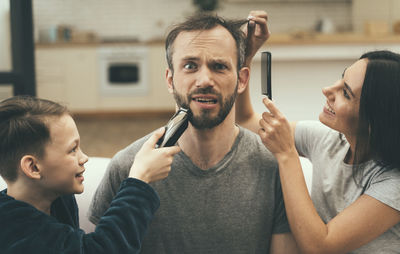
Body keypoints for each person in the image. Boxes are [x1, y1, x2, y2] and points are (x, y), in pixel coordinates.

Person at [88, 11, 299, 254]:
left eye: (219, 66)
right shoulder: (128, 168)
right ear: (170, 80)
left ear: (242, 80)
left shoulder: (272, 167)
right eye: (190, 66)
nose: (205, 80)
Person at [236, 50, 400, 253]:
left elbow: (319, 246)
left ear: (373, 122)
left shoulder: (394, 183)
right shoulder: (328, 139)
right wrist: (245, 57)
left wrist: (286, 154)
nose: (327, 90)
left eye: (346, 93)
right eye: (341, 78)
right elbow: (245, 121)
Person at [0, 96, 180, 253]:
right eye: (72, 150)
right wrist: (139, 179)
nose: (84, 157)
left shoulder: (56, 199)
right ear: (33, 167)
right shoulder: (14, 232)